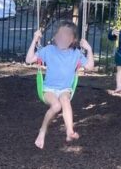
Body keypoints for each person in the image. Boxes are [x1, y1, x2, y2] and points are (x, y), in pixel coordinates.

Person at [25, 21, 95, 149]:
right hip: (48, 90)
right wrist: (35, 40)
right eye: (61, 35)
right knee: (56, 106)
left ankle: (69, 131)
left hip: (65, 89)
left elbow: (90, 67)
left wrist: (89, 49)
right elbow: (29, 60)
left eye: (67, 36)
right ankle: (42, 131)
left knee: (64, 99)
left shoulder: (76, 53)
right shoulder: (48, 50)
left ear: (73, 40)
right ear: (56, 36)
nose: (63, 38)